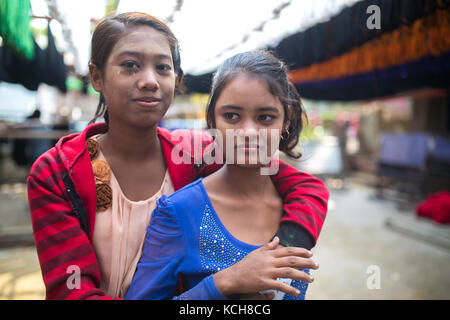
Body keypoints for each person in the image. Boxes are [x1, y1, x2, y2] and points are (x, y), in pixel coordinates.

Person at [27, 12, 329, 300]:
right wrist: (224, 283)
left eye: (162, 67)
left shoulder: (196, 152)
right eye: (130, 65)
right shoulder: (57, 173)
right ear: (96, 77)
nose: (149, 80)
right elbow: (71, 291)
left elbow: (302, 184)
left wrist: (289, 245)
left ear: (177, 78)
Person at [125, 50, 324, 300]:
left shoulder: (298, 209)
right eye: (231, 116)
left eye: (265, 117)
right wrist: (224, 283)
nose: (249, 132)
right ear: (212, 121)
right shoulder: (180, 211)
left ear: (286, 121)